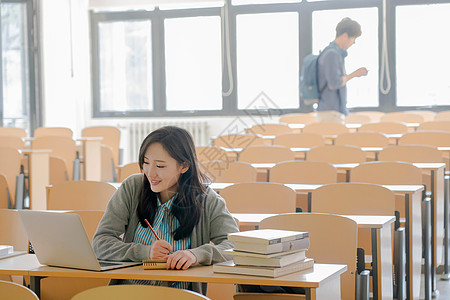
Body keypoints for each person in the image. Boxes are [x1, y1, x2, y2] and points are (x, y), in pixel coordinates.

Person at [93, 126, 239, 295]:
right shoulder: (132, 188)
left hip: (181, 296)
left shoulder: (207, 200)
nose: (150, 173)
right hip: (129, 293)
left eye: (160, 166)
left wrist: (196, 255)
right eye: (146, 163)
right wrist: (145, 252)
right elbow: (100, 243)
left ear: (184, 166)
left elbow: (235, 246)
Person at [317, 17, 368, 123]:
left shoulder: (335, 53)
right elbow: (334, 83)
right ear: (345, 36)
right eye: (353, 38)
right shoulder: (332, 54)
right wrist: (354, 74)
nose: (353, 42)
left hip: (332, 110)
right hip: (330, 111)